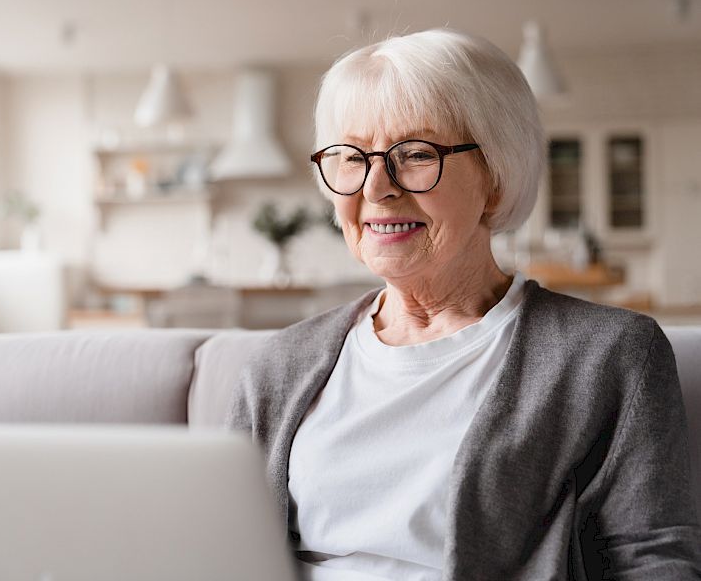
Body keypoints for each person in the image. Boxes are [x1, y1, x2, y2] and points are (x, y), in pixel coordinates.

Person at [225, 29, 701, 580]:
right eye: (351, 157)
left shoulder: (609, 357)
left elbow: (650, 562)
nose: (377, 187)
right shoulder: (277, 367)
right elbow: (221, 550)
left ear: (495, 181)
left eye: (416, 154)